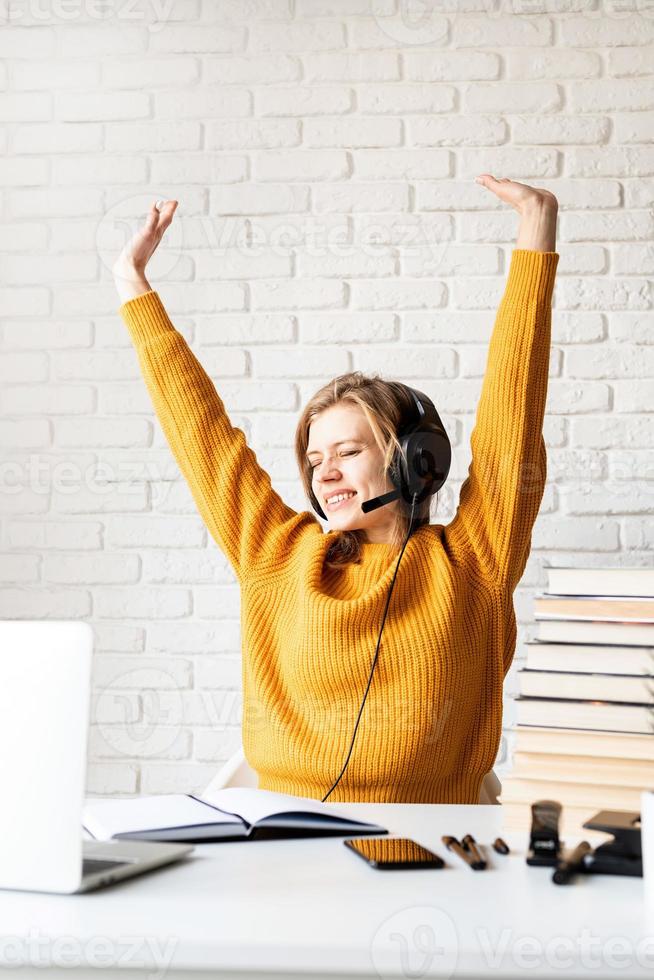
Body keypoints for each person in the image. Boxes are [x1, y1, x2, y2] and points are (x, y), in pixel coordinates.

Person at [112, 175, 559, 804]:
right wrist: (133, 287)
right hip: (282, 851)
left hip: (436, 858)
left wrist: (536, 234)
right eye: (315, 458)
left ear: (413, 462)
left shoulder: (474, 562)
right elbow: (204, 438)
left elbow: (514, 422)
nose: (324, 474)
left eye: (349, 452)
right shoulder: (279, 555)